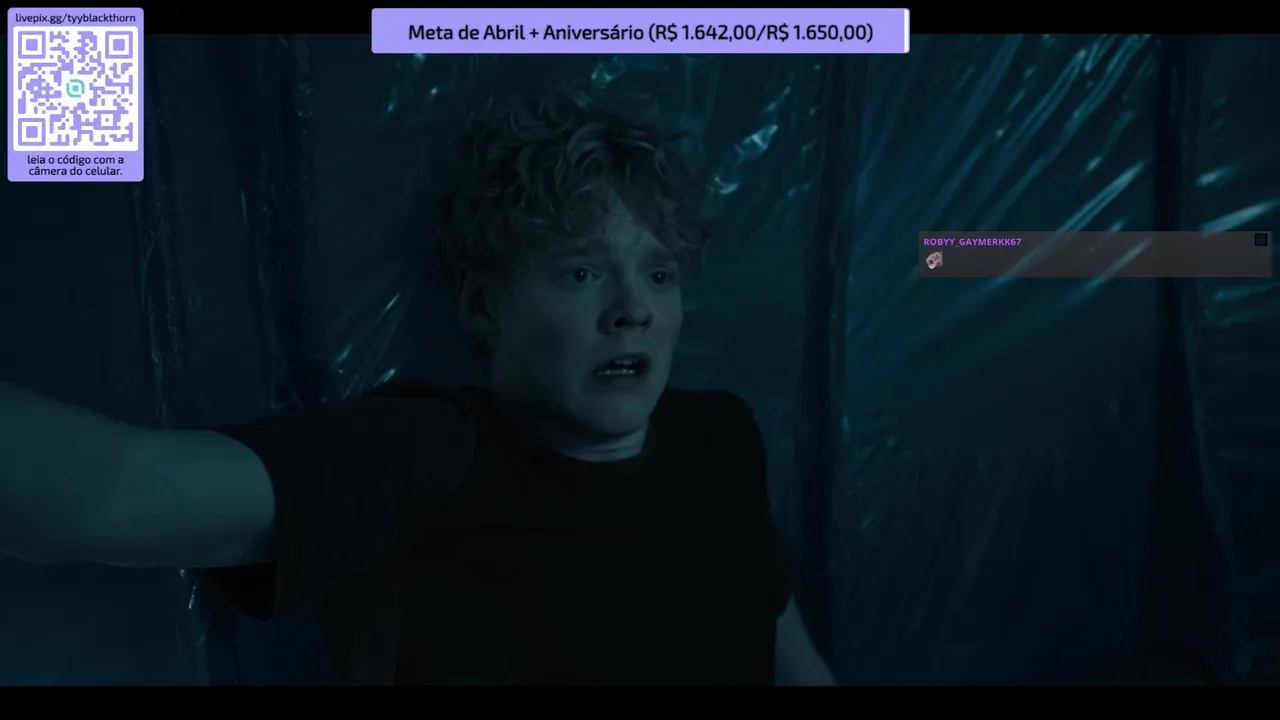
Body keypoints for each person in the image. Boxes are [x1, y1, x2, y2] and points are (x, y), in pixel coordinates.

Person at [0, 85, 834, 686]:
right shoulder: (426, 451)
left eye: (658, 273)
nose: (634, 310)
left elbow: (786, 655)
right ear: (483, 306)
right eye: (582, 272)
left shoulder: (722, 437)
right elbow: (108, 495)